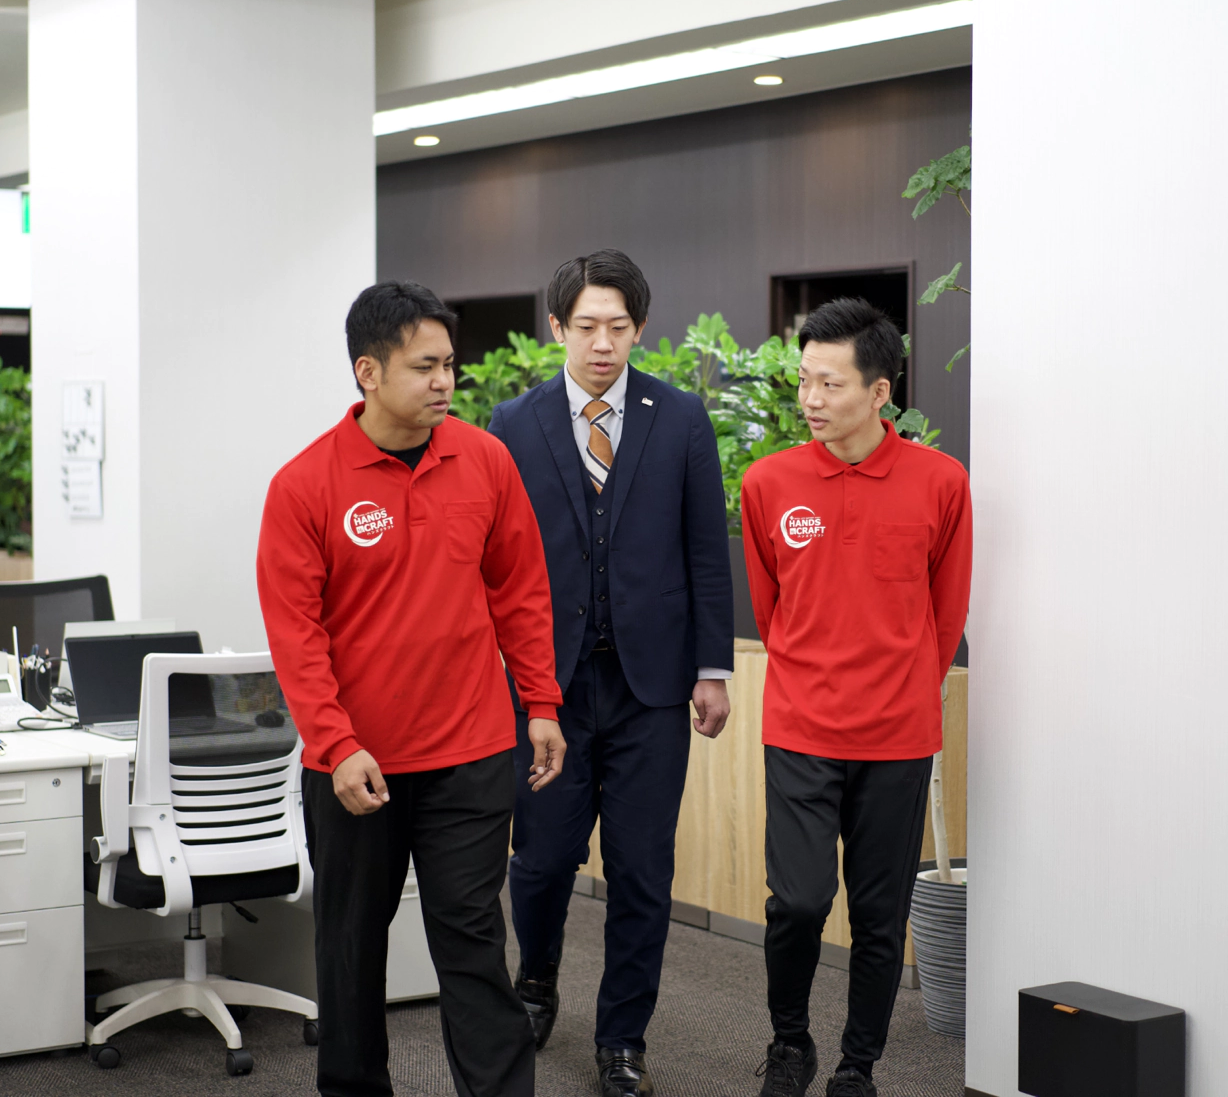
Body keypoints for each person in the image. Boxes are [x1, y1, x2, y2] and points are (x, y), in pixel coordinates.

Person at [256, 281, 568, 1097]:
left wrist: (540, 703)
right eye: (425, 366)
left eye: (449, 365)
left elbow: (521, 591)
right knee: (351, 948)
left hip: (470, 751)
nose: (444, 381)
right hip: (356, 765)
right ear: (368, 371)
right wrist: (335, 744)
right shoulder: (304, 485)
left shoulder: (485, 461)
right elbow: (297, 636)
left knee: (472, 943)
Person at [488, 249, 733, 1097]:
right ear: (557, 327)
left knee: (642, 870)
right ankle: (536, 979)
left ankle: (623, 1040)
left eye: (618, 327)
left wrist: (711, 668)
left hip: (651, 688)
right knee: (542, 859)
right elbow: (494, 561)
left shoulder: (681, 418)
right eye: (587, 326)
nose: (603, 343)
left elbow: (706, 553)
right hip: (547, 689)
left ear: (640, 328)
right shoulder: (513, 423)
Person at [740, 298, 972, 1097]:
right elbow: (771, 611)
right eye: (804, 379)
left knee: (879, 916)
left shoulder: (941, 483)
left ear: (879, 392)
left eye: (829, 384)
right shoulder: (769, 482)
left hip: (897, 737)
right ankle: (790, 1044)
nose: (810, 398)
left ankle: (856, 1066)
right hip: (800, 727)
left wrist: (902, 688)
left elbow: (946, 614)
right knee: (798, 904)